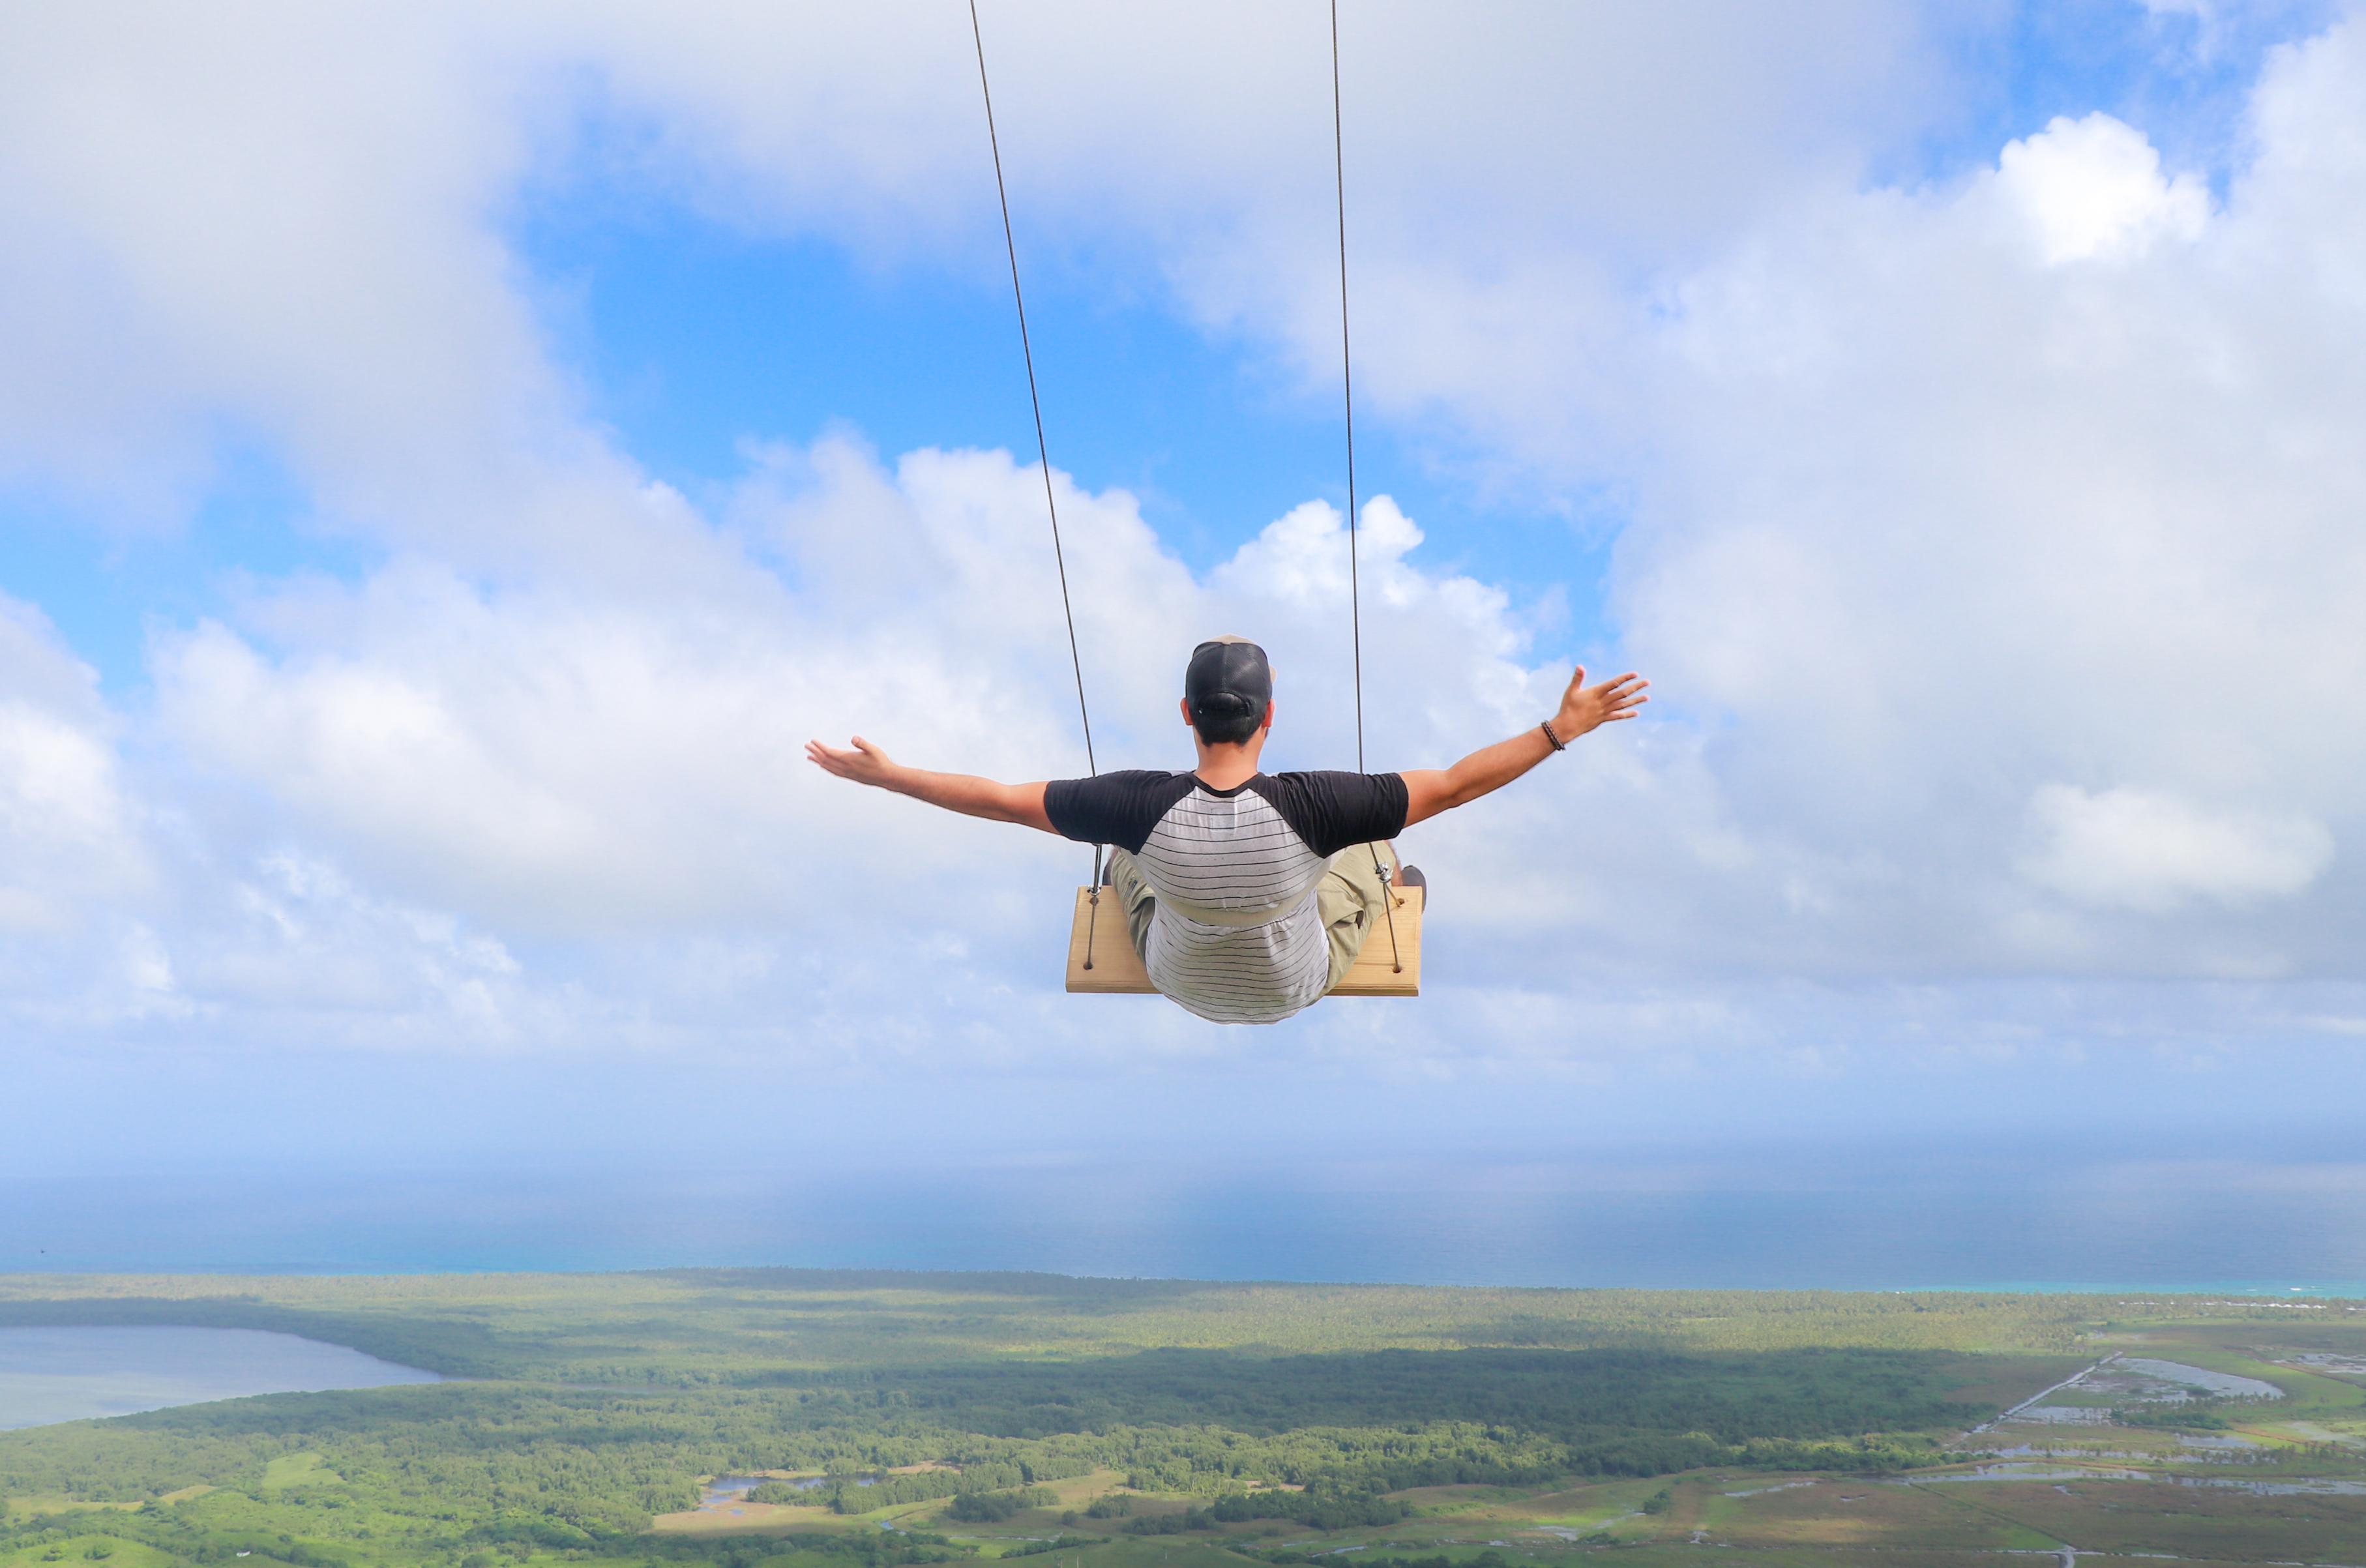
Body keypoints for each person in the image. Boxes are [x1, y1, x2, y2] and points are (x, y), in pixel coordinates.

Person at [806, 637, 1647, 1024]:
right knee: (1377, 850)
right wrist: (1559, 731)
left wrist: (888, 776)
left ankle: (1138, 882)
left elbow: (998, 798)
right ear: (1270, 717)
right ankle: (1390, 884)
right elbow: (1459, 786)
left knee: (1127, 861)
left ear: (1185, 714)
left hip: (1181, 977)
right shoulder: (1318, 806)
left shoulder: (1137, 804)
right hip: (1291, 985)